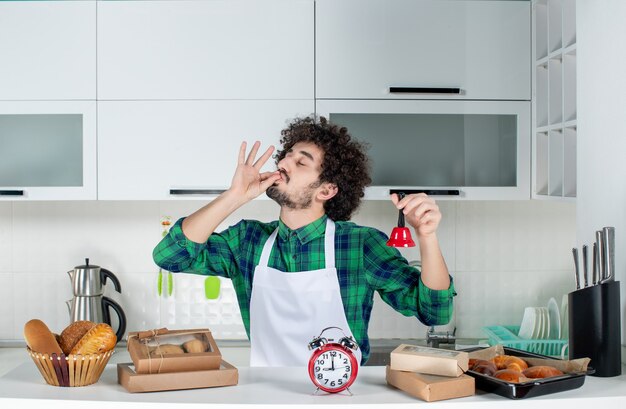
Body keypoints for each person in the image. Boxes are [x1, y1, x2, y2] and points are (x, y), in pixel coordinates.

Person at [153, 116, 455, 367]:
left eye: (302, 161)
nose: (284, 162)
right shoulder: (247, 240)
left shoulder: (360, 246)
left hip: (341, 398)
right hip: (267, 396)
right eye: (288, 154)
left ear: (326, 190)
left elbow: (435, 313)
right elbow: (169, 256)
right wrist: (233, 197)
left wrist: (426, 237)